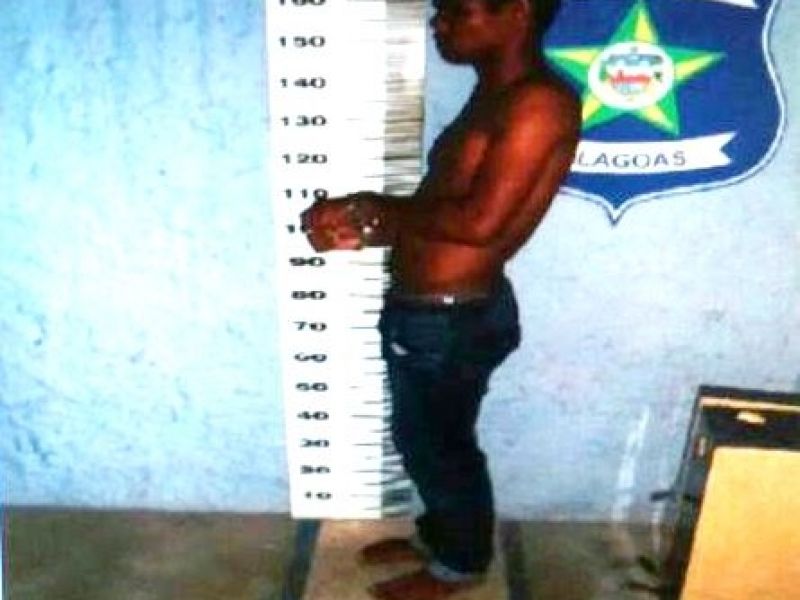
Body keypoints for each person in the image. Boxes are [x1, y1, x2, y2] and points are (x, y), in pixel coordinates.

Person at [301, 0, 579, 598]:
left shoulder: (538, 102)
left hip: (451, 319)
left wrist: (369, 209)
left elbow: (481, 224)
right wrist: (367, 228)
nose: (440, 22)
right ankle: (439, 535)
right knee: (424, 439)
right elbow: (442, 208)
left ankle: (459, 564)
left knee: (439, 447)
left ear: (518, 12)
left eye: (459, 10)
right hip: (435, 313)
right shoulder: (497, 94)